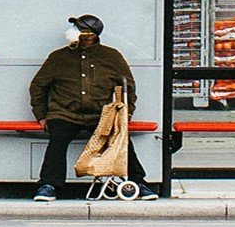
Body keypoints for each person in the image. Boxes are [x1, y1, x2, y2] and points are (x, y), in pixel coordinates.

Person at [28, 14, 158, 201]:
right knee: (58, 139)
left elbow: (128, 86)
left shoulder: (111, 56)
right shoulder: (58, 57)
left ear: (90, 35)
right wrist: (41, 115)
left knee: (121, 140)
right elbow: (38, 86)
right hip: (64, 113)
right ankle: (48, 185)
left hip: (101, 115)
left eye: (79, 29)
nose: (73, 32)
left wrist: (125, 116)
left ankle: (138, 182)